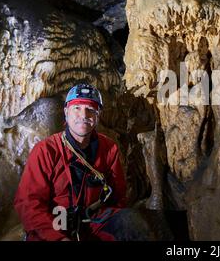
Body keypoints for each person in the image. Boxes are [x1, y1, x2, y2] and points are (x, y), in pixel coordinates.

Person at [14, 83, 140, 241]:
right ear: (66, 112)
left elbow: (118, 197)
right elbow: (28, 203)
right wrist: (58, 238)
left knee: (131, 222)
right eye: (77, 108)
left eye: (90, 109)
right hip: (53, 226)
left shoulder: (109, 149)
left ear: (97, 116)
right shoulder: (46, 151)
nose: (84, 115)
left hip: (94, 223)